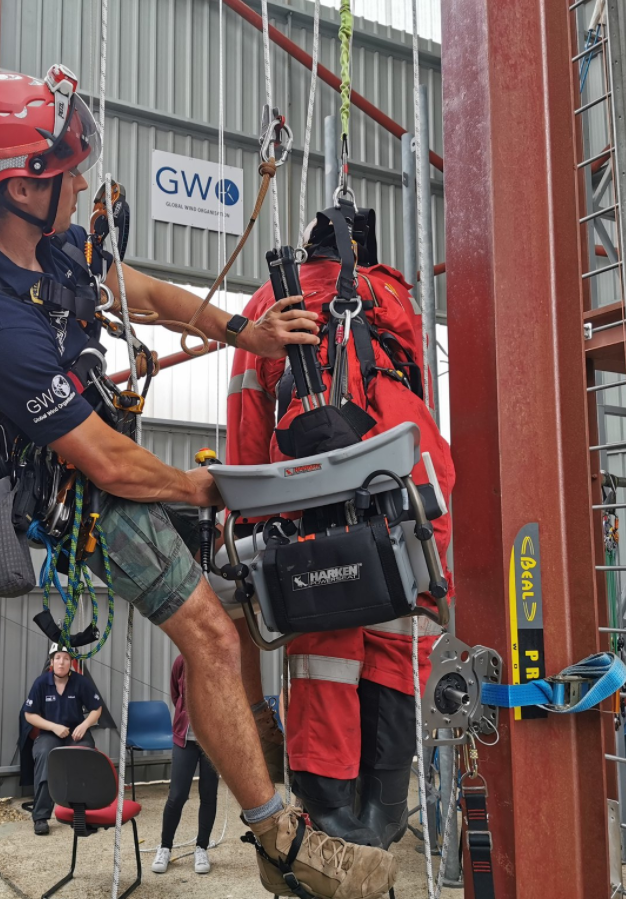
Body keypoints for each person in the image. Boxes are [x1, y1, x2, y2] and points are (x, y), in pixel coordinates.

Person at [0, 65, 398, 896]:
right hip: (78, 492)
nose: (80, 182)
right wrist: (204, 487)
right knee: (208, 632)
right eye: (66, 170)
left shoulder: (40, 240)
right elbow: (104, 462)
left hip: (101, 453)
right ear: (19, 186)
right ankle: (281, 841)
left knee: (233, 602)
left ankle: (248, 741)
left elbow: (136, 289)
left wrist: (246, 330)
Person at [225, 216, 456, 849]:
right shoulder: (394, 298)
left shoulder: (269, 302)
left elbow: (248, 413)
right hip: (410, 489)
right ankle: (386, 802)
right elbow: (418, 389)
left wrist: (248, 520)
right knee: (399, 636)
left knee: (327, 643)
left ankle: (328, 806)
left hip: (315, 493)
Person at [23, 645, 103, 835]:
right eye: (58, 658)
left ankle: (81, 815)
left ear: (70, 662)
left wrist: (85, 725)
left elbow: (96, 708)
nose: (61, 662)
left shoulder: (80, 682)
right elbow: (29, 715)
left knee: (84, 758)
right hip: (50, 734)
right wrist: (53, 727)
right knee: (45, 758)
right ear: (52, 662)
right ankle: (41, 817)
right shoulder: (41, 683)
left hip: (76, 733)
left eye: (66, 658)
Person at [152, 654, 218, 875]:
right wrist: (184, 713)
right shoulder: (182, 660)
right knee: (177, 795)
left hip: (212, 742)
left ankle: (201, 848)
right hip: (184, 739)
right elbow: (176, 693)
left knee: (208, 795)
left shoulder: (219, 660)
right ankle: (165, 847)